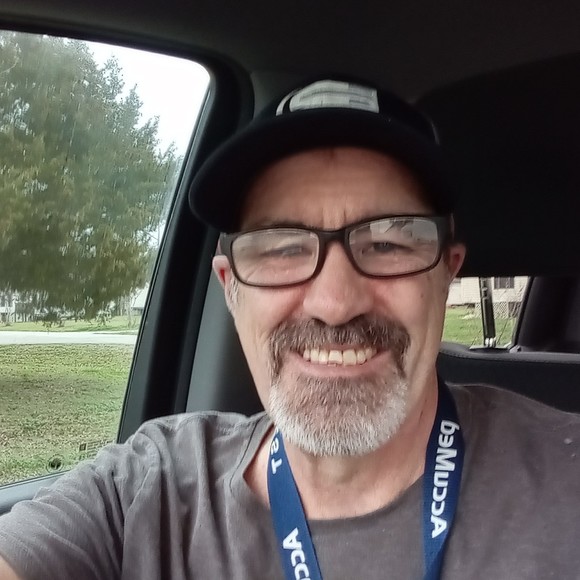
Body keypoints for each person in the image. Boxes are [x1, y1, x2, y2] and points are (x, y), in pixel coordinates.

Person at [1, 77, 580, 580]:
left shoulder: (566, 480)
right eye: (282, 248)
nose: (334, 304)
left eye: (387, 243)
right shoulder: (145, 492)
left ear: (446, 274)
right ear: (230, 287)